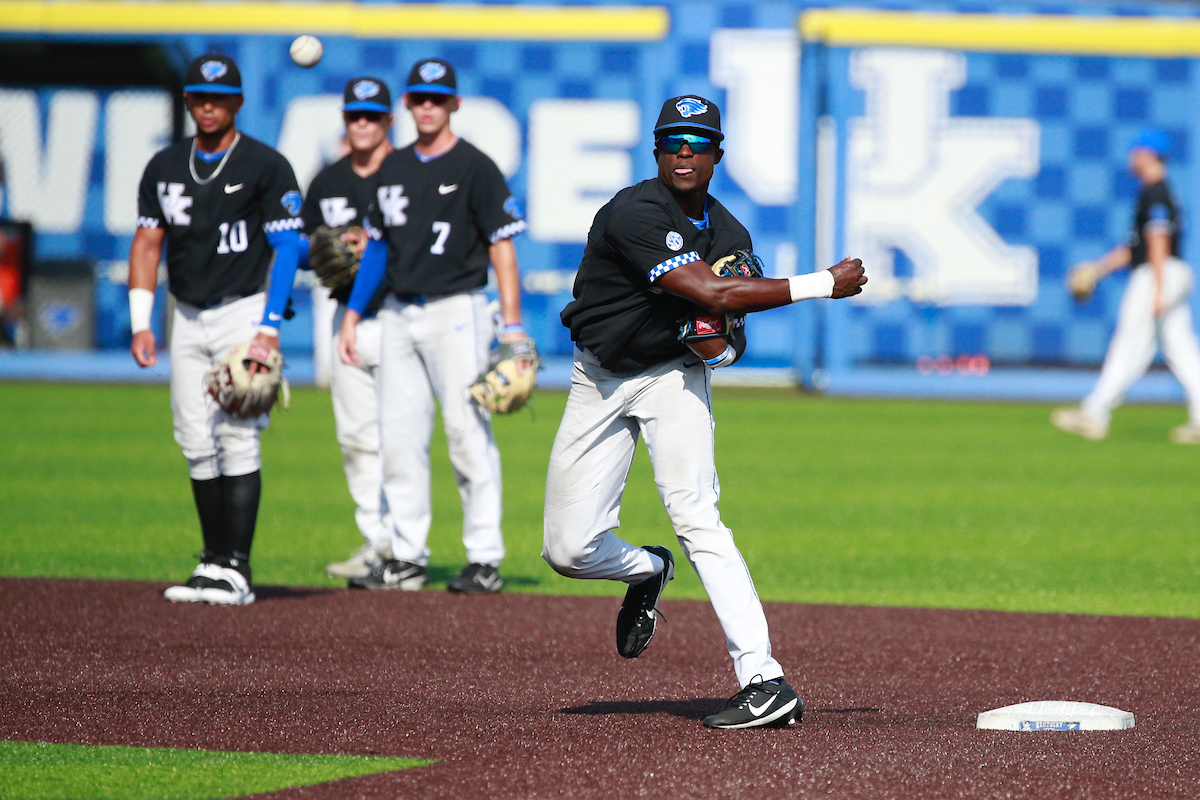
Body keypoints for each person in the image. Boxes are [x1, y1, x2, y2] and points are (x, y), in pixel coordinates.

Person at [541, 96, 866, 729]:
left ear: (717, 154)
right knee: (568, 550)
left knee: (699, 518)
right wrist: (820, 283)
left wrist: (720, 344)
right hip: (599, 377)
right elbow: (711, 291)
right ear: (656, 150)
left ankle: (764, 679)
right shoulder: (635, 211)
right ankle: (648, 569)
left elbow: (728, 335)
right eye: (672, 141)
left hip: (670, 379)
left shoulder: (730, 234)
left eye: (697, 141)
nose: (684, 152)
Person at [338, 58, 530, 594]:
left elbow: (502, 249)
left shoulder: (476, 166)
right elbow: (376, 248)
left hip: (457, 310)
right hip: (398, 311)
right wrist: (354, 313)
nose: (427, 107)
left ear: (454, 104)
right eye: (419, 98)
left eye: (437, 99)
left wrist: (512, 326)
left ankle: (485, 557)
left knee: (466, 432)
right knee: (399, 439)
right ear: (407, 105)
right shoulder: (394, 167)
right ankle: (406, 556)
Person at [129, 53, 303, 605]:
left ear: (238, 103)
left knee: (237, 431)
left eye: (220, 98)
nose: (209, 107)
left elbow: (287, 247)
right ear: (187, 103)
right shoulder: (164, 166)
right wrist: (141, 322)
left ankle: (239, 568)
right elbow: (148, 243)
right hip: (186, 313)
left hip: (243, 309)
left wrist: (269, 327)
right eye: (200, 98)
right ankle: (211, 563)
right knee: (195, 438)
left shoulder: (265, 164)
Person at [299, 77, 396, 580]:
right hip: (347, 320)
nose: (362, 123)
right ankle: (375, 540)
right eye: (354, 115)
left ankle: (405, 546)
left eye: (371, 115)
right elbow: (303, 245)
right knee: (356, 435)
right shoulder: (327, 181)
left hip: (402, 312)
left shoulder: (406, 174)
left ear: (388, 121)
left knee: (402, 436)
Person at [1052, 128, 1200, 444]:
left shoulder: (1156, 192)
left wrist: (1159, 289)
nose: (1132, 159)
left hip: (1157, 273)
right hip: (1166, 270)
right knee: (1182, 347)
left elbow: (1158, 241)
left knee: (1131, 343)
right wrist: (1100, 268)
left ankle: (1094, 413)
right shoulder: (1158, 190)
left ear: (1147, 154)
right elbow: (1137, 247)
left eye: (1135, 152)